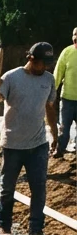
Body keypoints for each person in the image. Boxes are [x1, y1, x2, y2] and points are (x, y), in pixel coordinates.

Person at [0, 42, 58, 235]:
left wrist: (54, 133)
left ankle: (35, 232)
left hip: (38, 145)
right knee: (7, 188)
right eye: (42, 63)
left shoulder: (48, 79)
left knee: (39, 189)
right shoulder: (11, 77)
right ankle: (4, 227)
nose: (44, 67)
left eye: (47, 64)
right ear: (31, 59)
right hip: (12, 145)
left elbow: (49, 107)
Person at [53, 28, 77, 159]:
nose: (76, 37)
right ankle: (60, 149)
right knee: (64, 127)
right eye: (74, 35)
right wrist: (51, 91)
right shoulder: (67, 52)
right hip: (67, 98)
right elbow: (58, 73)